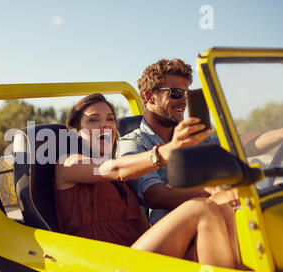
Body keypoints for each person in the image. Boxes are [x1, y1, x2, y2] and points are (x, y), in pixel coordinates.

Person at [54, 93, 240, 269]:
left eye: (110, 119)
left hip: (136, 257)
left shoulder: (124, 183)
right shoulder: (69, 163)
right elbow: (116, 169)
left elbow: (144, 230)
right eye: (93, 120)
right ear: (76, 132)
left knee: (224, 200)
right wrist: (165, 152)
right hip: (102, 264)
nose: (105, 125)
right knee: (200, 208)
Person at [117, 58, 283, 225]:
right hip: (175, 237)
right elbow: (156, 196)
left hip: (222, 218)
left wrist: (280, 133)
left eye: (186, 93)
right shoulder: (133, 142)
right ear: (150, 97)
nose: (183, 101)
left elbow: (239, 144)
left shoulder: (191, 134)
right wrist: (217, 192)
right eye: (175, 93)